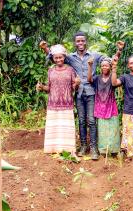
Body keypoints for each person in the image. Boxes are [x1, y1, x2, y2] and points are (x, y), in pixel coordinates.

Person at [39, 32, 124, 160]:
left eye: (82, 41)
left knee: (91, 120)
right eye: (78, 41)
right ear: (75, 43)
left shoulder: (95, 55)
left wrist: (119, 51)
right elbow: (56, 57)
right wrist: (46, 48)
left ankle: (94, 147)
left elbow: (110, 61)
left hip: (91, 92)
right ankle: (84, 146)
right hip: (78, 93)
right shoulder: (70, 57)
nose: (80, 43)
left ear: (86, 42)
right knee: (82, 120)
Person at [36, 44, 80, 154]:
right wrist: (41, 87)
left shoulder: (70, 70)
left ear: (64, 57)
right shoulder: (50, 71)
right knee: (54, 128)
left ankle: (67, 149)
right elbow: (48, 88)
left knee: (66, 128)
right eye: (56, 58)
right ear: (53, 59)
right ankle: (53, 149)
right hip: (53, 104)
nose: (58, 59)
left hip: (67, 104)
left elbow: (74, 87)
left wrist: (77, 84)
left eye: (60, 57)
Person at [87, 57, 120, 155]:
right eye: (102, 66)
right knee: (102, 130)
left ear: (110, 66)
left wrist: (114, 67)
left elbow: (114, 83)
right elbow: (89, 79)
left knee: (113, 127)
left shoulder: (112, 77)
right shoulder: (97, 78)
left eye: (106, 65)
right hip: (100, 107)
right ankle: (103, 151)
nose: (104, 67)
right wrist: (90, 66)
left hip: (111, 106)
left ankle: (114, 150)